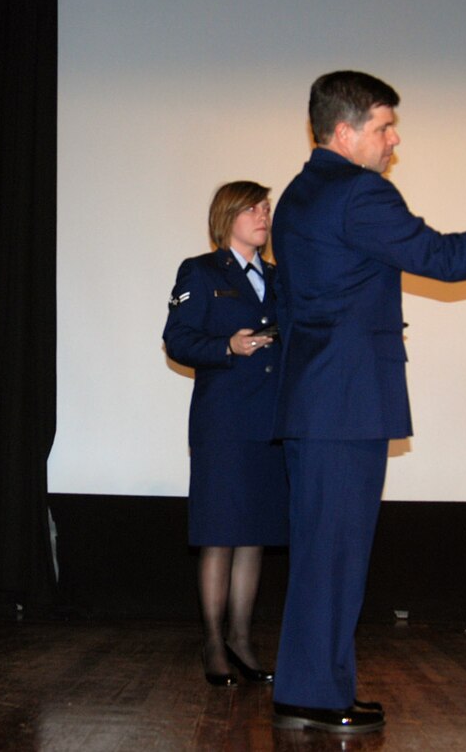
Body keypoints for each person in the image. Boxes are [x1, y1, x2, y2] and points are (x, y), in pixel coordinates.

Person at [269, 70, 466, 734]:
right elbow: (438, 255)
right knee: (336, 550)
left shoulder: (302, 191)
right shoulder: (357, 191)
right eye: (384, 127)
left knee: (323, 549)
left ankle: (312, 686)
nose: (393, 139)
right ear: (347, 131)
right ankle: (315, 695)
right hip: (343, 399)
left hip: (319, 399)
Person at [163, 181, 288, 688]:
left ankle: (242, 638)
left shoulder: (280, 278)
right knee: (219, 534)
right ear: (227, 215)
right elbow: (177, 339)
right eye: (254, 208)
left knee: (253, 534)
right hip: (224, 423)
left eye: (267, 208)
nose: (263, 215)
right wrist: (228, 347)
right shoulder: (201, 271)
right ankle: (213, 642)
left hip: (270, 421)